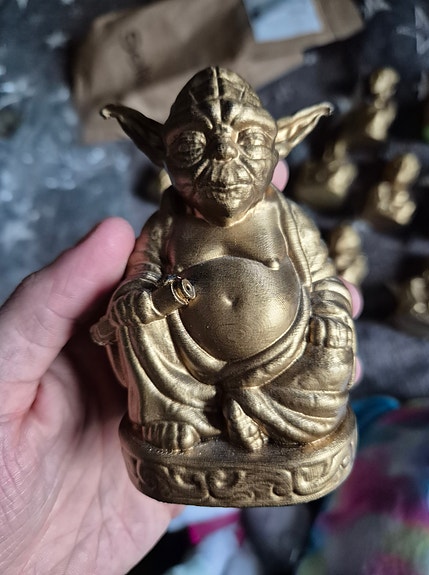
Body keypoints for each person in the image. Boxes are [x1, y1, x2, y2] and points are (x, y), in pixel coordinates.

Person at [0, 163, 361, 575]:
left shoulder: (288, 216)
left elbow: (324, 283)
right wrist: (140, 299)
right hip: (186, 369)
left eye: (249, 145)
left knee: (334, 350)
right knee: (136, 318)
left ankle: (255, 409)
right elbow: (141, 275)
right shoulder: (166, 222)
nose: (226, 162)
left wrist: (331, 315)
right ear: (169, 155)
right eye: (195, 148)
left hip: (280, 357)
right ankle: (174, 416)